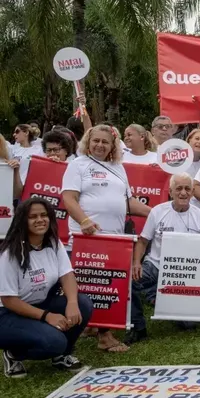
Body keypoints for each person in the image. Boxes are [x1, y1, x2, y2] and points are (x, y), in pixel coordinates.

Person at [61, 125, 152, 353]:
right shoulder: (78, 165)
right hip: (87, 237)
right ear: (88, 142)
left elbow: (127, 202)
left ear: (113, 146)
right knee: (95, 284)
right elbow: (68, 198)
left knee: (107, 285)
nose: (100, 145)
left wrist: (154, 213)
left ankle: (94, 326)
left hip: (114, 238)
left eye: (105, 142)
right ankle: (105, 336)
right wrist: (84, 221)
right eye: (96, 141)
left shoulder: (118, 167)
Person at [0, 198, 94, 378]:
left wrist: (72, 302)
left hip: (41, 303)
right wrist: (46, 316)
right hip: (7, 314)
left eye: (44, 215)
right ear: (22, 220)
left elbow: (67, 274)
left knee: (83, 304)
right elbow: (9, 300)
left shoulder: (52, 242)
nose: (40, 220)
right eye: (32, 217)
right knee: (54, 342)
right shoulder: (9, 254)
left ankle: (62, 356)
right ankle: (13, 354)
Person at [126, 173, 200, 344]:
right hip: (156, 265)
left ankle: (164, 301)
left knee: (188, 325)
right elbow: (143, 241)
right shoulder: (158, 211)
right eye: (179, 189)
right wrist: (136, 263)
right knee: (130, 281)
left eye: (187, 189)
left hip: (184, 272)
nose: (183, 193)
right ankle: (138, 327)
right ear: (170, 192)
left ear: (193, 192)